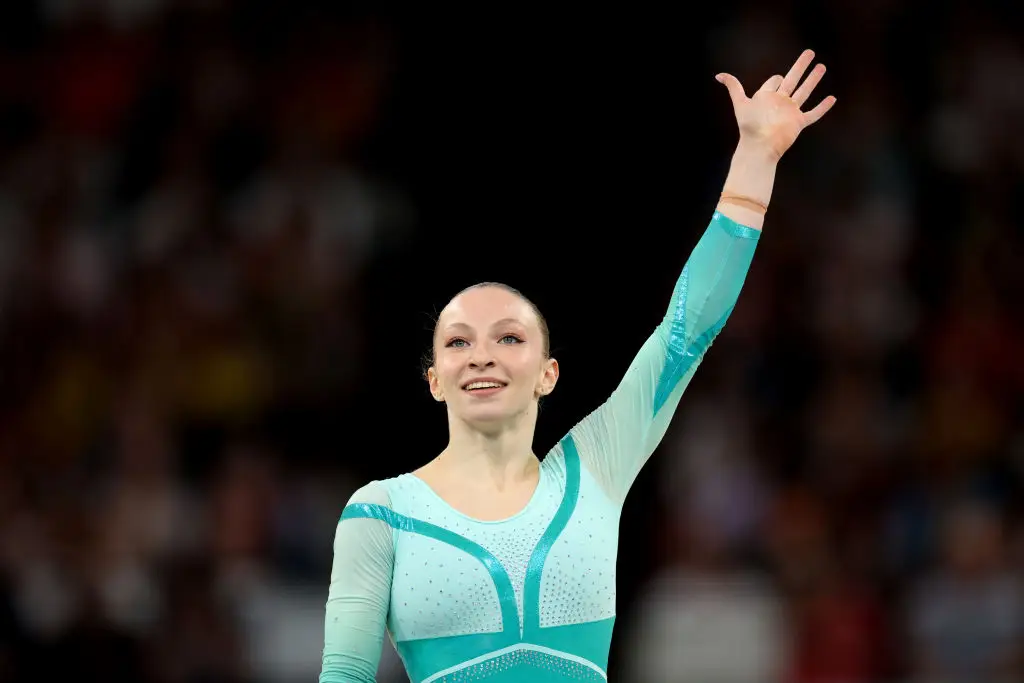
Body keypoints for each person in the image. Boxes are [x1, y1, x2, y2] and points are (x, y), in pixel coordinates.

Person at [320, 48, 836, 683]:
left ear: (548, 374)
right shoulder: (380, 514)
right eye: (457, 342)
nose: (481, 352)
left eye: (509, 338)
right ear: (433, 380)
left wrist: (755, 160)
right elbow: (343, 676)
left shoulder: (593, 468)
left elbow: (687, 331)